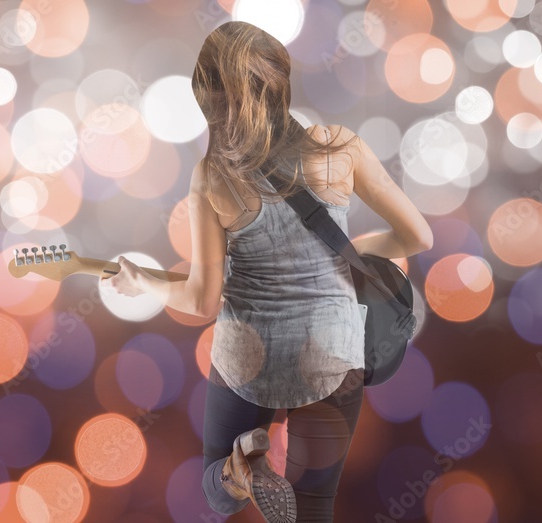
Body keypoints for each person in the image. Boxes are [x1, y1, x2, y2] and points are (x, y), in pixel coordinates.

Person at [101, 21, 433, 523]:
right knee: (314, 508)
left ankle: (241, 469)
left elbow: (201, 301)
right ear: (279, 83)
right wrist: (352, 253)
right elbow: (417, 238)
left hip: (248, 356)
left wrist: (142, 280)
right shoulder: (339, 148)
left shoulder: (213, 177)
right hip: (331, 351)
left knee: (217, 492)